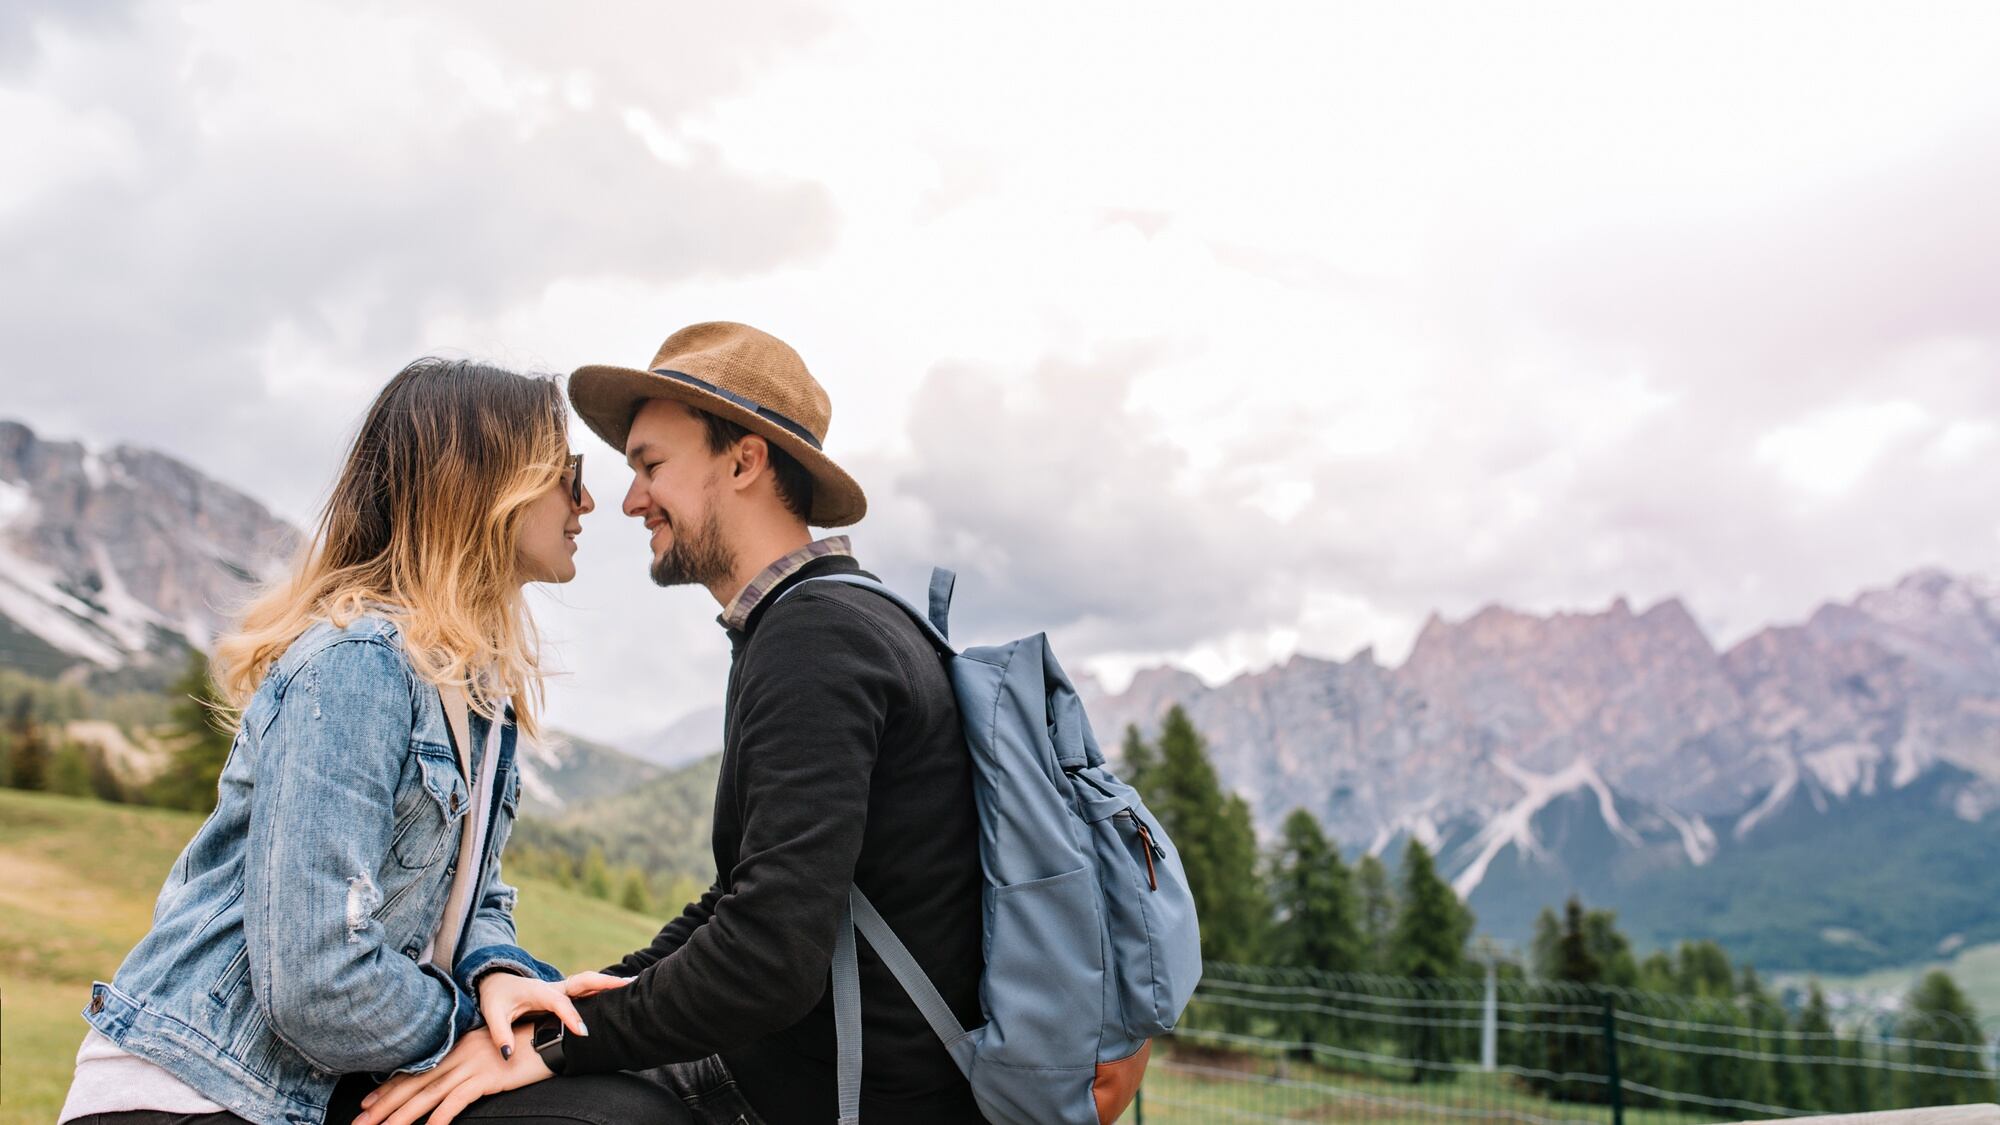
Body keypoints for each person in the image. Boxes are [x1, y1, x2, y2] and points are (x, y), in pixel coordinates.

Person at [355, 323, 987, 1125]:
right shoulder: (833, 618)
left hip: (822, 1102)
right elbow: (742, 896)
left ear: (744, 459)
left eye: (651, 465)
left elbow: (765, 957)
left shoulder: (816, 639)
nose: (629, 500)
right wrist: (567, 1010)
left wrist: (548, 1048)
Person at [60, 358, 652, 1125]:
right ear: (485, 486)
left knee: (624, 1105)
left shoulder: (475, 694)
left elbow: (474, 894)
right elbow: (317, 980)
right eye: (566, 471)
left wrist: (496, 969)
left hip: (314, 1088)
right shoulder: (359, 666)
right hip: (197, 1090)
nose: (587, 500)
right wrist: (478, 1026)